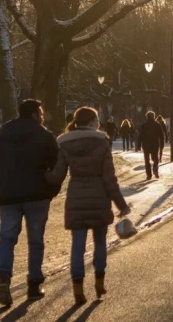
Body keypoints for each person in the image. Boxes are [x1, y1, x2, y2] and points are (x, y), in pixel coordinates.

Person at [46, 107, 130, 305]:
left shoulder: (65, 143)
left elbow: (57, 175)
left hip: (76, 197)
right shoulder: (102, 142)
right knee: (100, 242)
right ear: (92, 121)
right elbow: (110, 178)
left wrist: (40, 175)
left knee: (78, 245)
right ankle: (99, 282)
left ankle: (77, 287)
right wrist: (121, 204)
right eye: (97, 119)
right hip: (99, 197)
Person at [0, 99, 59, 306]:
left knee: (7, 238)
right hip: (37, 195)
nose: (43, 116)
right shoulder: (44, 135)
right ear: (35, 114)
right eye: (41, 112)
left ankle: (3, 276)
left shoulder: (4, 135)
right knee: (35, 240)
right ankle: (34, 284)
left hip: (8, 195)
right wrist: (51, 190)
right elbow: (57, 166)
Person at [136, 111, 165, 180]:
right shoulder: (157, 125)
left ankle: (149, 175)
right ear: (154, 116)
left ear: (147, 117)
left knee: (147, 160)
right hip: (155, 144)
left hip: (146, 145)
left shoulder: (143, 125)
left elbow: (140, 136)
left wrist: (138, 145)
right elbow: (161, 136)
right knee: (155, 159)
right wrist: (162, 145)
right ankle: (155, 169)